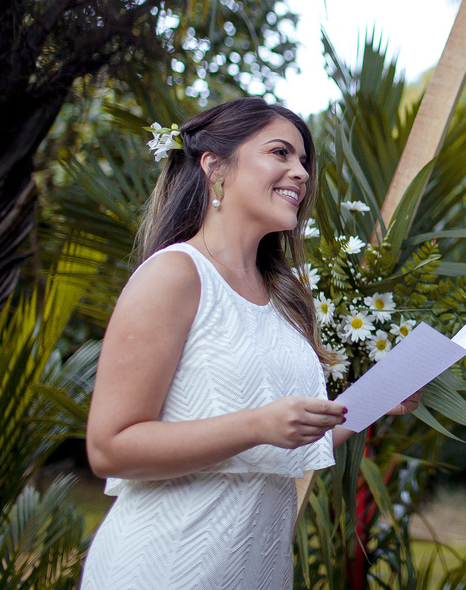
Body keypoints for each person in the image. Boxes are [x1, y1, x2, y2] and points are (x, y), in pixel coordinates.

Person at [82, 97, 418, 589]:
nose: (300, 173)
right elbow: (110, 448)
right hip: (166, 567)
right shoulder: (175, 275)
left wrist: (377, 397)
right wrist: (259, 424)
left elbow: (288, 436)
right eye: (280, 153)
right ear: (214, 167)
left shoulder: (284, 298)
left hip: (255, 571)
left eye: (303, 161)